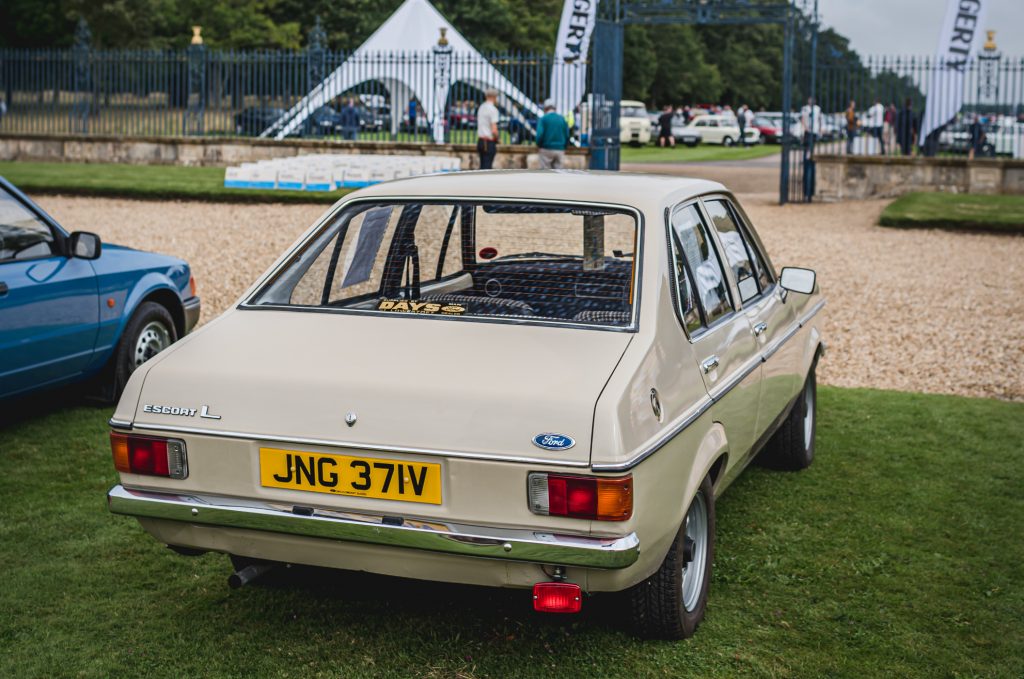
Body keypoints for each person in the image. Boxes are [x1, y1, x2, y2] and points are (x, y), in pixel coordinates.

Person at [535, 99, 570, 168]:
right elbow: (567, 135)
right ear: (555, 108)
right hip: (560, 149)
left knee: (545, 173)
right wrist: (564, 146)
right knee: (558, 173)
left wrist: (539, 145)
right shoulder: (562, 119)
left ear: (545, 109)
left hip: (546, 149)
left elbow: (539, 135)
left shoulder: (543, 119)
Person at [476, 89, 499, 169]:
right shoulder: (493, 109)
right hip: (488, 142)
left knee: (482, 166)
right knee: (487, 167)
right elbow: (494, 129)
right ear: (494, 97)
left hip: (481, 141)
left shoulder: (481, 107)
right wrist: (497, 138)